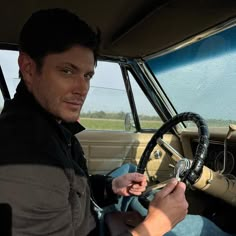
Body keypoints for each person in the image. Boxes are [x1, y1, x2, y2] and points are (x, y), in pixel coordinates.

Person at [0, 8, 232, 236]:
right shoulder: (23, 160)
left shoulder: (49, 127)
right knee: (205, 228)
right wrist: (155, 226)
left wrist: (111, 187)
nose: (82, 89)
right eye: (67, 71)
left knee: (130, 172)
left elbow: (70, 189)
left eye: (87, 75)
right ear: (29, 69)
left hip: (92, 219)